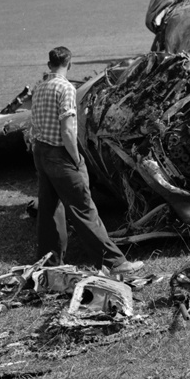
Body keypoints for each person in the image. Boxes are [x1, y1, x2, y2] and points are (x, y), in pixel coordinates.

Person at [30, 46, 142, 274]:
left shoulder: (39, 87)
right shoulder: (66, 89)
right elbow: (68, 131)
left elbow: (33, 124)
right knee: (84, 209)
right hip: (61, 154)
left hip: (40, 152)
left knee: (50, 208)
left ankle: (49, 263)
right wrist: (77, 158)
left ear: (49, 64)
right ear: (69, 64)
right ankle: (114, 263)